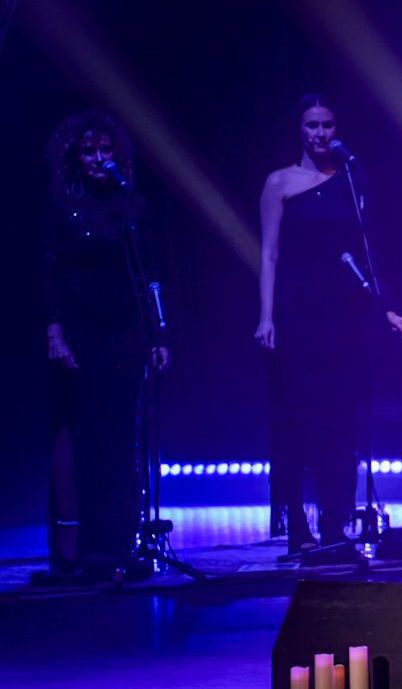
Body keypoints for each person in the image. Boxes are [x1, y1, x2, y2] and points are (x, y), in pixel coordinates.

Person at [255, 93, 402, 556]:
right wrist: (265, 316)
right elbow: (269, 253)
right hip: (298, 310)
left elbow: (367, 251)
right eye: (311, 125)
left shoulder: (351, 178)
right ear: (298, 130)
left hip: (345, 313)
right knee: (300, 419)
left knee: (341, 423)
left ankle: (335, 522)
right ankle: (298, 525)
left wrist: (386, 307)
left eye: (327, 124)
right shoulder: (279, 182)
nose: (320, 133)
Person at [42, 110, 168, 581]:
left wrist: (160, 334)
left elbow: (150, 273)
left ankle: (123, 543)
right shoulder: (60, 203)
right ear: (76, 155)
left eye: (105, 150)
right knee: (87, 437)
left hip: (127, 329)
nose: (98, 159)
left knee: (123, 438)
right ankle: (86, 547)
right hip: (81, 331)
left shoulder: (131, 205)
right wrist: (54, 331)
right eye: (90, 151)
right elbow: (49, 271)